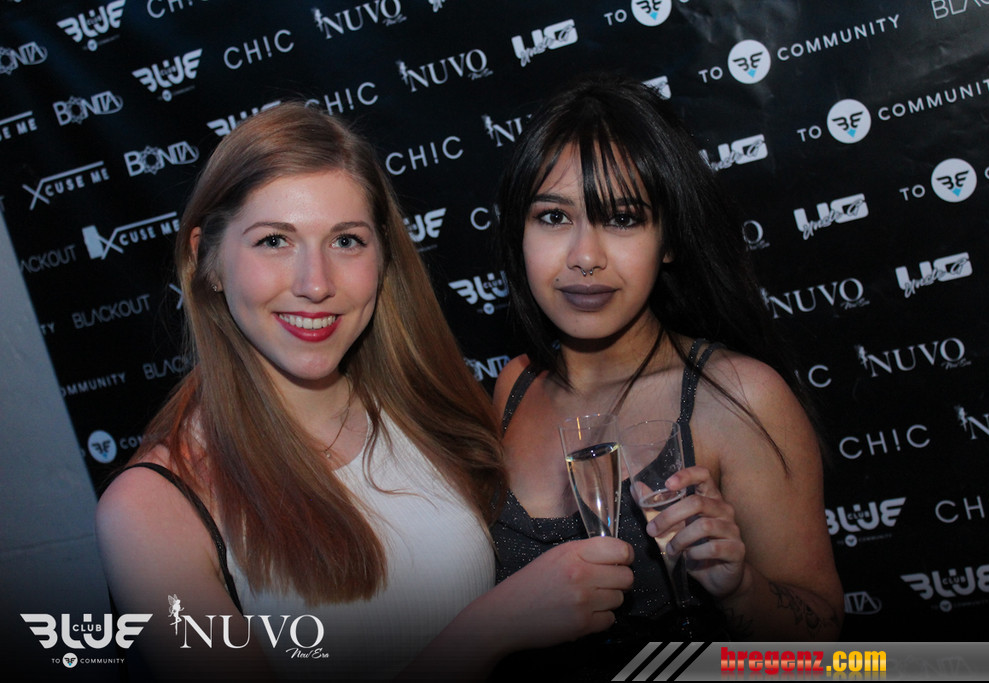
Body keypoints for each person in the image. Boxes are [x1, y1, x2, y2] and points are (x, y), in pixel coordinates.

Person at [95, 102, 633, 681]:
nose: (315, 283)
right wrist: (492, 629)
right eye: (274, 240)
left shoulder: (422, 408)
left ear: (382, 256)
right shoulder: (151, 508)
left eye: (346, 241)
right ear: (209, 261)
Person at [490, 74, 844, 659]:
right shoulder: (515, 384)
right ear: (518, 232)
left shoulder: (736, 397)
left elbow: (823, 639)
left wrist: (741, 587)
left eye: (622, 217)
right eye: (553, 217)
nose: (585, 256)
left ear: (670, 238)